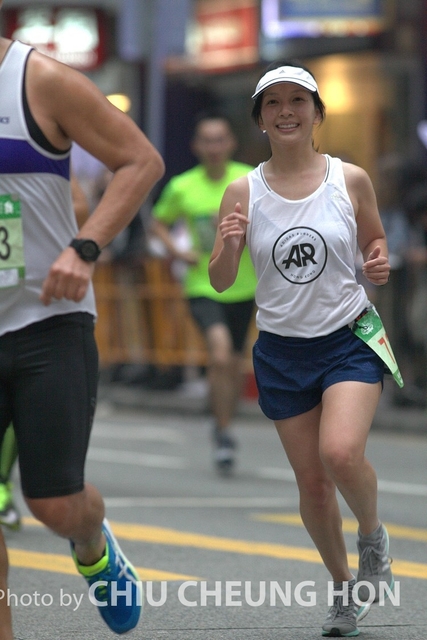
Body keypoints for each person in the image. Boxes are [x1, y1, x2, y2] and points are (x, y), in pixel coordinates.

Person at [209, 60, 395, 637]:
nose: (285, 112)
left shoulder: (350, 179)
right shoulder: (242, 191)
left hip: (349, 338)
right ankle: (343, 590)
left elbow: (375, 240)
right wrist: (228, 246)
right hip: (282, 351)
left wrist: (378, 263)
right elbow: (220, 280)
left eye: (297, 101)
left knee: (340, 453)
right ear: (260, 119)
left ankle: (372, 536)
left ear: (317, 113)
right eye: (273, 103)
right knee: (312, 483)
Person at [0, 19, 164, 640]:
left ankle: (93, 544)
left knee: (54, 504)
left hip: (48, 320)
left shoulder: (39, 80)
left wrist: (84, 247)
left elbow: (140, 160)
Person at [151, 115, 257, 473]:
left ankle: (223, 423)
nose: (214, 147)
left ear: (231, 143)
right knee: (220, 352)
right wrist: (177, 252)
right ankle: (223, 432)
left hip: (245, 285)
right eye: (207, 141)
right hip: (203, 283)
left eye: (220, 139)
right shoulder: (183, 186)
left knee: (233, 363)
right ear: (196, 146)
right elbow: (158, 223)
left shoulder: (248, 179)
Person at [0, 173, 91, 532]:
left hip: (34, 311)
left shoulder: (28, 153)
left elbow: (80, 207)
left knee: (56, 502)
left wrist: (28, 213)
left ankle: (3, 481)